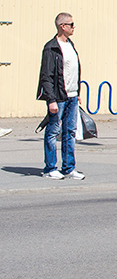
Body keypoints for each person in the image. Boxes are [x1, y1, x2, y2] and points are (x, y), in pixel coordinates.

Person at [37, 12, 84, 180]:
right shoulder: (51, 48)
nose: (74, 27)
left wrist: (77, 92)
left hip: (71, 96)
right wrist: (51, 100)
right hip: (58, 97)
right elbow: (46, 76)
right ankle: (50, 168)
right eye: (71, 24)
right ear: (62, 26)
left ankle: (68, 168)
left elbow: (74, 71)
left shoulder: (70, 45)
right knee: (52, 131)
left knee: (69, 132)